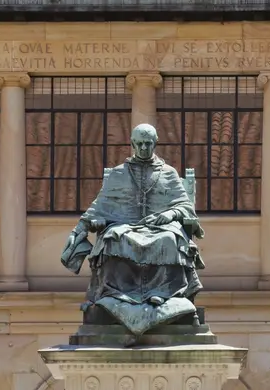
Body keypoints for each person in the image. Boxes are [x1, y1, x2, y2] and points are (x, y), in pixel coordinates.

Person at [61, 123, 206, 336]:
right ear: (132, 144)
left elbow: (184, 206)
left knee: (169, 239)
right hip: (125, 227)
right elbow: (100, 206)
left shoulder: (169, 173)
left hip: (160, 227)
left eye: (148, 144)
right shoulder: (119, 174)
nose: (144, 148)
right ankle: (116, 296)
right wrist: (81, 229)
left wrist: (169, 215)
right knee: (112, 237)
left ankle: (165, 293)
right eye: (139, 144)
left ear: (155, 143)